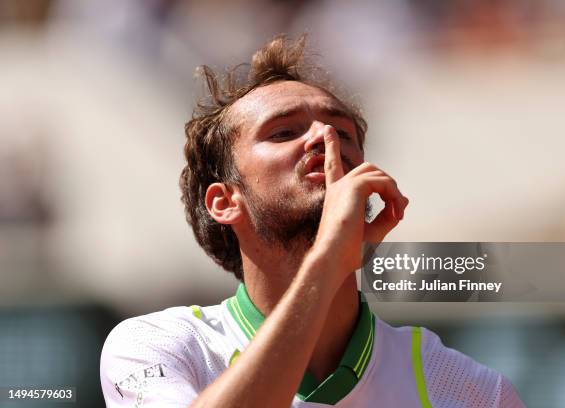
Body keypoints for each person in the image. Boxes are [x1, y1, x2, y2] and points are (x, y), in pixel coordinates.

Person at [100, 35, 525, 408]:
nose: (323, 141)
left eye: (342, 134)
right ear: (224, 201)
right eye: (283, 133)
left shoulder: (473, 392)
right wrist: (328, 259)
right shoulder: (157, 347)